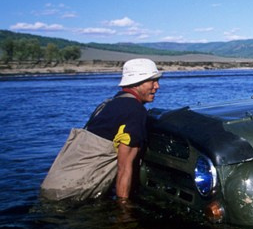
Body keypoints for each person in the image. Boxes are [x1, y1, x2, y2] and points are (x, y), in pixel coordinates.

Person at [40, 58, 162, 202]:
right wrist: (123, 209)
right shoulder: (135, 111)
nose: (157, 86)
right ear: (137, 82)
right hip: (71, 193)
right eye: (152, 81)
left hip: (52, 186)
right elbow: (124, 167)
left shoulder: (109, 104)